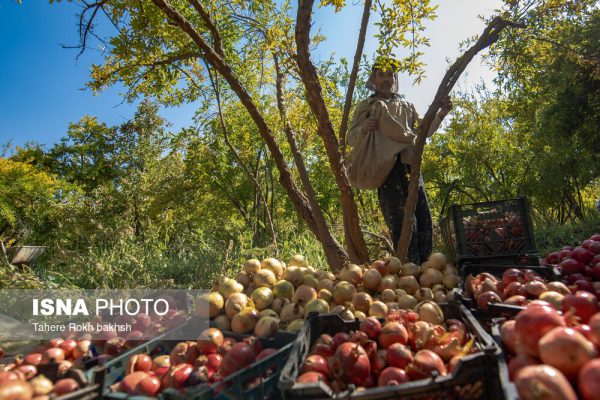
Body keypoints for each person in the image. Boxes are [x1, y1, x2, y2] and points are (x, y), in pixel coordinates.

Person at [347, 60, 452, 264]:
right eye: (381, 75)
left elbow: (424, 131)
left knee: (423, 220)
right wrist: (364, 128)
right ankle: (409, 273)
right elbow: (350, 138)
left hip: (410, 168)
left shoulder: (406, 106)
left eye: (390, 75)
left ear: (395, 79)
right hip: (386, 171)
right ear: (373, 79)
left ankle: (428, 272)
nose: (386, 79)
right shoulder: (367, 106)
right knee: (402, 226)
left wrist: (441, 113)